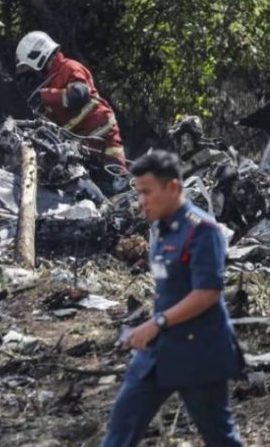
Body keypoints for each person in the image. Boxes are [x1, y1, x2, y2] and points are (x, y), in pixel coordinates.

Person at [101, 150, 244, 446]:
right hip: (159, 351)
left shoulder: (202, 230)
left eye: (147, 192)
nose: (141, 201)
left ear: (173, 188)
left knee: (220, 437)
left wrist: (155, 323)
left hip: (200, 351)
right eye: (138, 192)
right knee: (121, 427)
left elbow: (207, 293)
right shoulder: (162, 229)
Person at [15, 31, 126, 169]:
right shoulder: (52, 81)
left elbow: (79, 95)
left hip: (101, 135)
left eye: (29, 67)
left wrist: (44, 96)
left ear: (37, 57)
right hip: (82, 143)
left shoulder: (69, 67)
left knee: (116, 178)